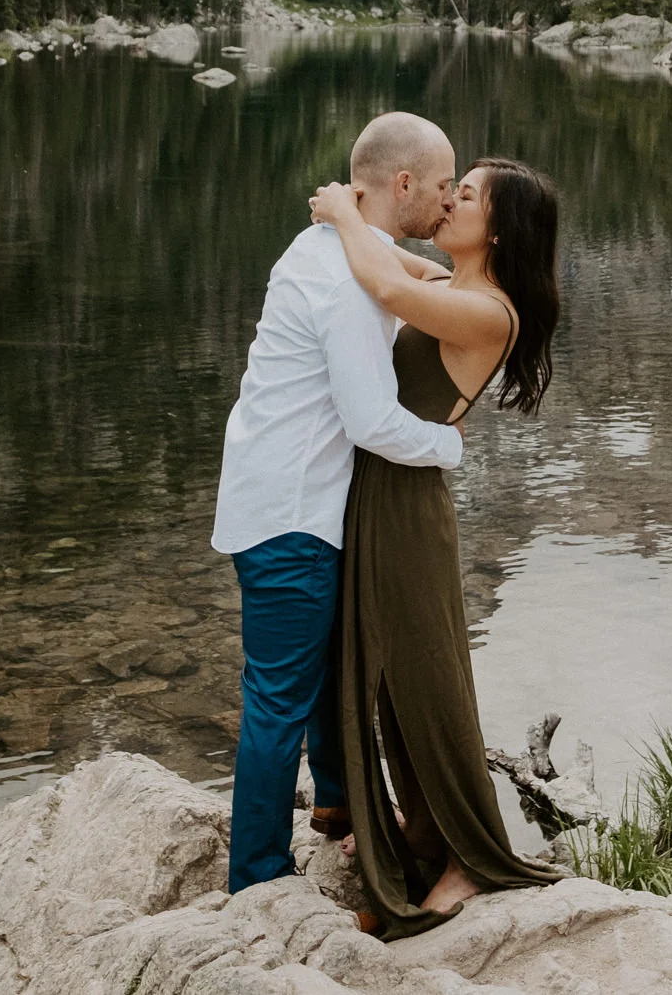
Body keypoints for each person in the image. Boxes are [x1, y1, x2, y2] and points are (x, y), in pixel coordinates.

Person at [210, 111, 469, 895]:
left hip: (276, 496)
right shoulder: (346, 284)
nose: (450, 201)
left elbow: (406, 273)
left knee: (320, 669)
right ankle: (257, 878)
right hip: (292, 514)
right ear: (401, 184)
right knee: (277, 699)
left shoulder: (336, 246)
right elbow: (373, 422)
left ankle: (335, 801)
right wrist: (451, 446)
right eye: (441, 186)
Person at [309, 156, 564, 938]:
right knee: (386, 678)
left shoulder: (491, 309)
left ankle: (469, 860)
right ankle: (416, 835)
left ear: (500, 226)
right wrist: (364, 218)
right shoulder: (458, 285)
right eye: (453, 188)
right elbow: (399, 266)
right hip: (382, 490)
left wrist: (343, 214)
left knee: (426, 678)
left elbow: (387, 289)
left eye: (467, 196)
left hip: (408, 507)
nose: (449, 202)